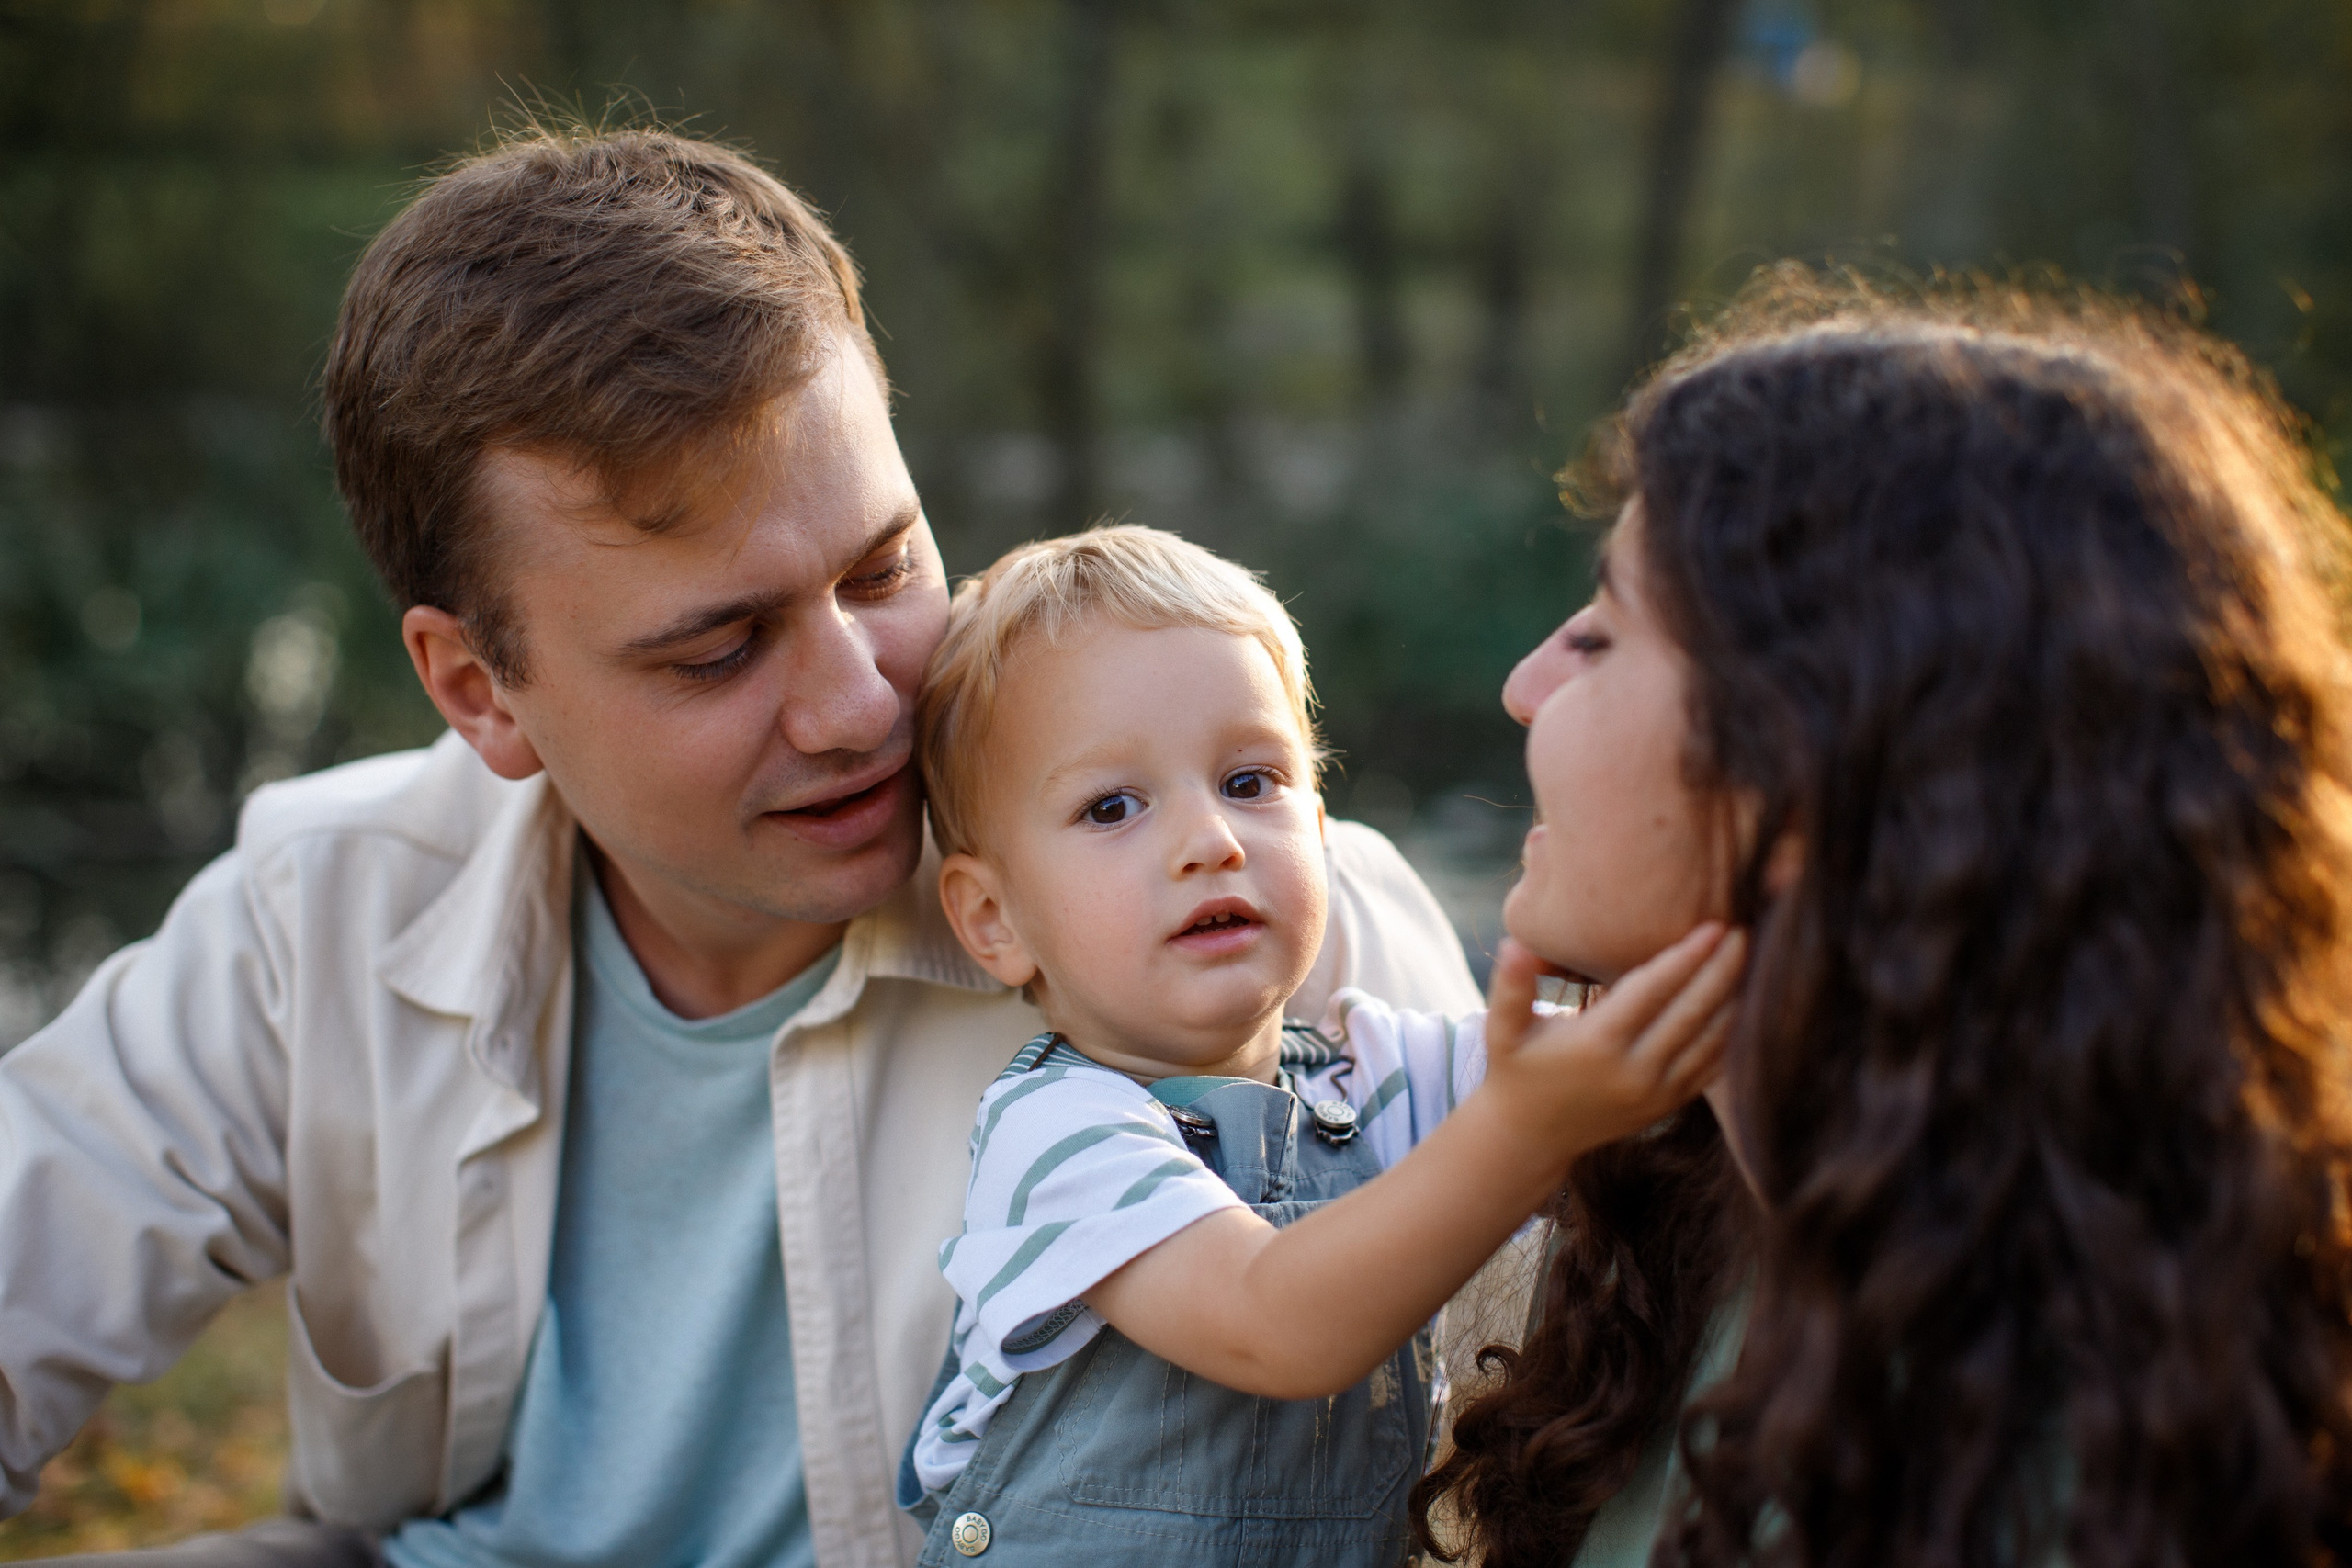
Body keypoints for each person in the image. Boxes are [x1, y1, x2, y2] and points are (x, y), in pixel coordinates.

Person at [0, 128, 1485, 1568]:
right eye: (717, 648)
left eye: (882, 567)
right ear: (477, 688)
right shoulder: (316, 914)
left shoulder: (1260, 936)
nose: (859, 705)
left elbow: (1551, 1417)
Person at [1416, 274, 2352, 1567]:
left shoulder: (2089, 1454)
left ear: (1812, 755)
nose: (1527, 686)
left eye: (1604, 635)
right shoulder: (1688, 1239)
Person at [891, 527, 1744, 1564]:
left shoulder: (1380, 1077)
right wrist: (1528, 1122)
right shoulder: (1057, 1136)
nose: (1212, 839)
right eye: (1113, 807)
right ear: (992, 919)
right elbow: (1275, 1319)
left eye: (1251, 781)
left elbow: (1598, 1073)